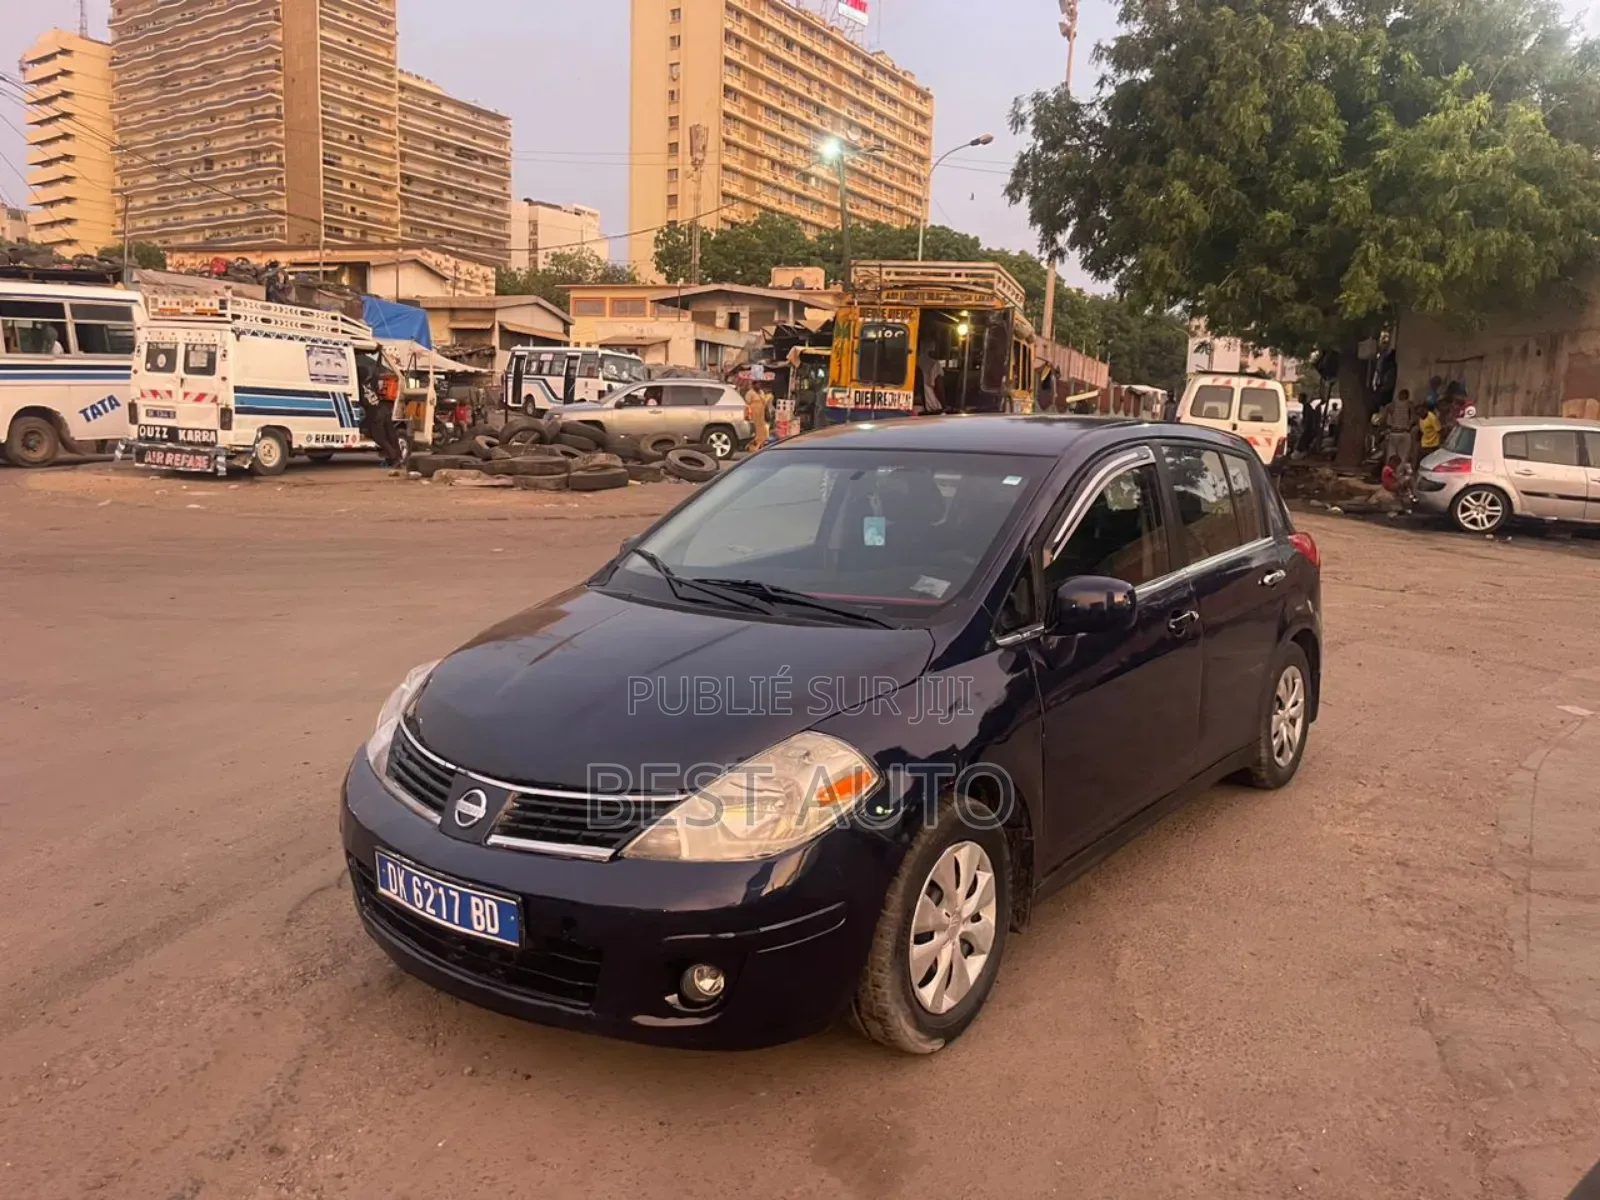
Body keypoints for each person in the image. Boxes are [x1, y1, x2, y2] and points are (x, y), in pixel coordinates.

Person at [1384, 388, 1414, 466]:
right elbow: (1413, 419)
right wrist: (1409, 426)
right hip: (1404, 433)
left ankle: (1388, 473)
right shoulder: (1410, 405)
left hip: (1394, 432)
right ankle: (1398, 474)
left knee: (1390, 456)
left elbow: (1383, 419)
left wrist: (1388, 427)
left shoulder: (1391, 405)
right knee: (1403, 458)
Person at [744, 379, 770, 451]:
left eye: (760, 384)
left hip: (761, 416)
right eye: (757, 384)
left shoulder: (761, 392)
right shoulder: (750, 393)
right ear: (753, 385)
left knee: (763, 432)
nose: (759, 386)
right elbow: (747, 405)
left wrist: (767, 412)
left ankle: (761, 447)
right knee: (755, 433)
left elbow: (764, 403)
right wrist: (747, 415)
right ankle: (752, 448)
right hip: (753, 416)